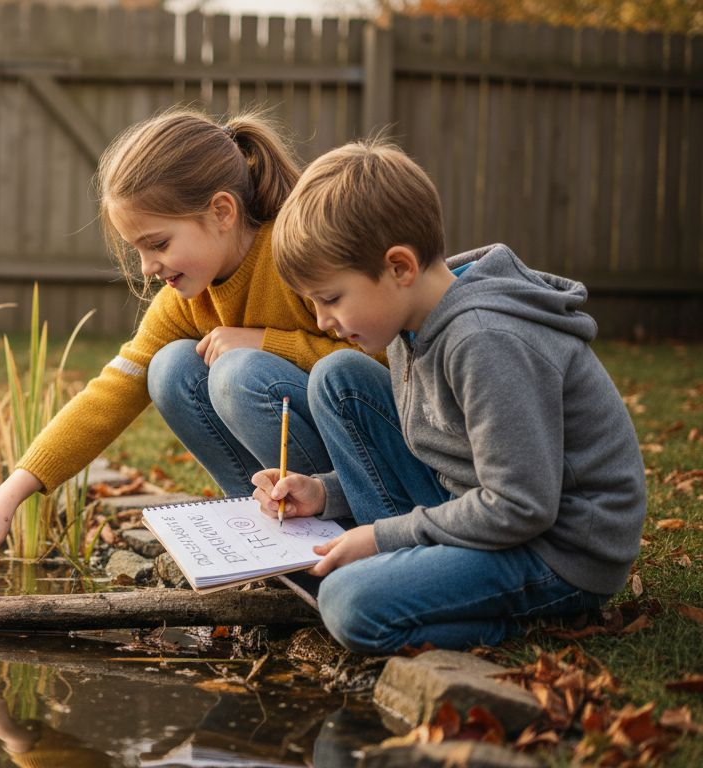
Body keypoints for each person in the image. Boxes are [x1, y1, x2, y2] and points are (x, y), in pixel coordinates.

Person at [0, 108, 376, 565]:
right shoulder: (187, 300)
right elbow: (111, 391)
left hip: (367, 461)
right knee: (169, 368)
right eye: (137, 249)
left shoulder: (298, 256)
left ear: (222, 211)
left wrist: (268, 343)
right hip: (295, 458)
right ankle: (272, 542)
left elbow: (381, 364)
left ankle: (342, 526)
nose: (146, 268)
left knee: (237, 372)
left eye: (158, 244)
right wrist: (6, 498)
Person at [252, 139, 647, 654]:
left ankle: (521, 623)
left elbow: (520, 506)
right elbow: (444, 457)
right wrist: (325, 493)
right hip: (483, 512)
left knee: (348, 603)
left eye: (330, 299)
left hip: (558, 551)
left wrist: (380, 538)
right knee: (337, 377)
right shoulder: (409, 327)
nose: (323, 321)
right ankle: (408, 575)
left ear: (399, 268)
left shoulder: (485, 340)